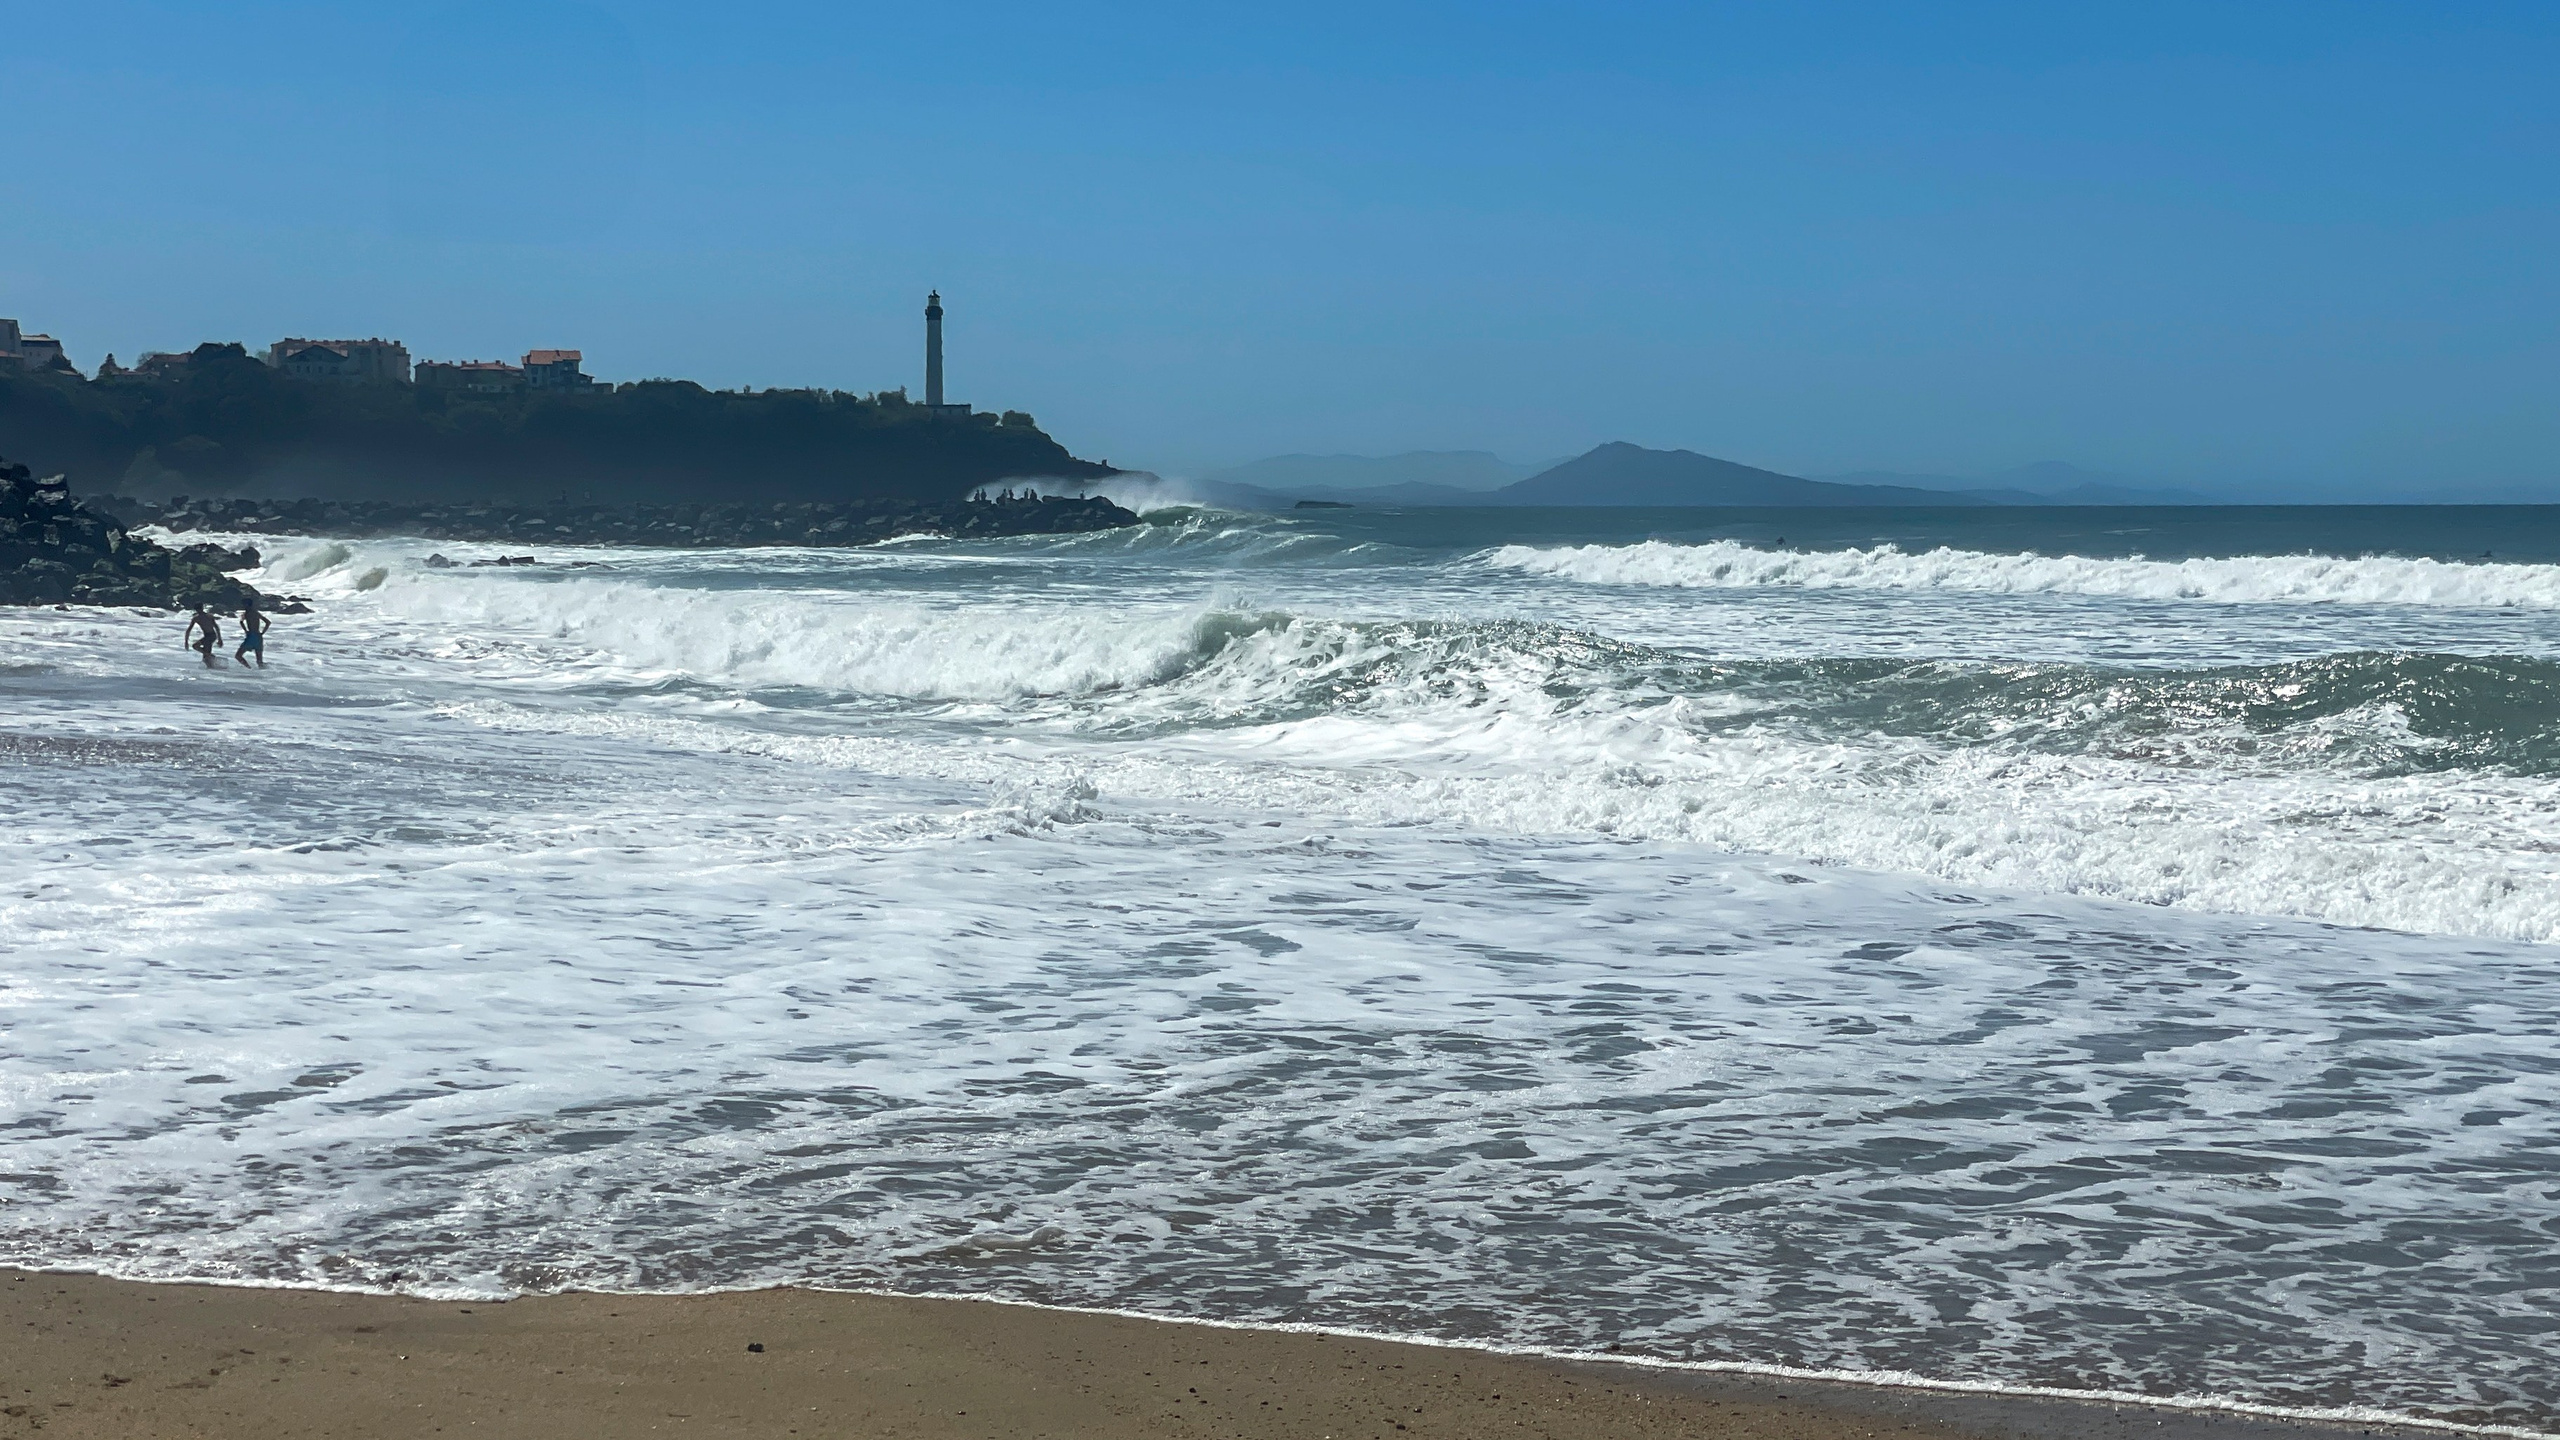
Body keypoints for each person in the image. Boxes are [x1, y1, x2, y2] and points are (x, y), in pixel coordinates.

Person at [234, 601, 270, 668]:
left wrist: (246, 631)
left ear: (247, 604)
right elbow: (268, 622)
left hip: (251, 636)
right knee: (259, 661)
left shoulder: (247, 613)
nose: (243, 606)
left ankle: (249, 668)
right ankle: (265, 674)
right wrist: (262, 633)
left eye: (244, 604)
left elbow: (241, 622)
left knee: (238, 655)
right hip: (258, 637)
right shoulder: (256, 613)